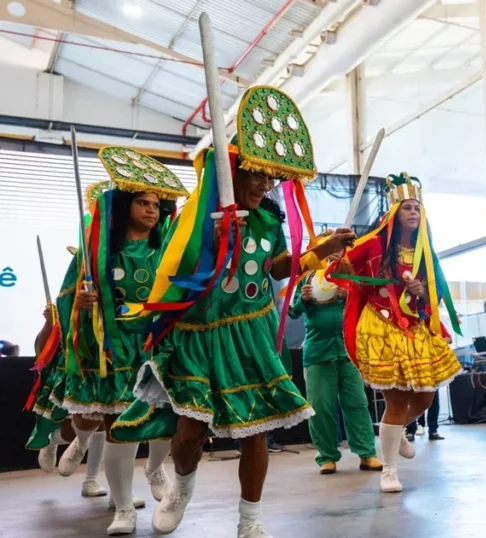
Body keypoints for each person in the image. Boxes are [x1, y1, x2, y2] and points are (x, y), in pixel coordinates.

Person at [111, 86, 354, 538]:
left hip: (250, 334)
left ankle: (250, 519)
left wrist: (323, 250)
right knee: (189, 432)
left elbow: (278, 268)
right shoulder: (194, 217)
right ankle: (182, 488)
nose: (264, 185)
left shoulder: (268, 220)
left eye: (269, 178)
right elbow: (175, 271)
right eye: (256, 176)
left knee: (255, 431)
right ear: (232, 172)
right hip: (198, 336)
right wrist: (215, 236)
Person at [47, 149, 187, 534]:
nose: (151, 211)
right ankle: (124, 508)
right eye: (143, 203)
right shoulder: (97, 253)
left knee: (166, 422)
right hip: (113, 349)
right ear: (125, 206)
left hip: (157, 347)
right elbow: (65, 297)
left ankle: (156, 469)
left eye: (156, 204)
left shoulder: (167, 250)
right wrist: (82, 300)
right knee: (116, 428)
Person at [327, 173, 462, 494]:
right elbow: (339, 271)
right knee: (397, 400)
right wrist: (337, 256)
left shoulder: (425, 251)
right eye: (407, 208)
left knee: (427, 396)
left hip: (416, 327)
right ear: (394, 214)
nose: (414, 213)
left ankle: (396, 428)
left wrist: (421, 290)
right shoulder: (375, 244)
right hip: (382, 326)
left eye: (417, 207)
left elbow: (435, 295)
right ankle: (389, 470)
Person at [25, 181, 109, 499]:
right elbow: (40, 348)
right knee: (74, 423)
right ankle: (52, 441)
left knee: (104, 419)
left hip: (107, 360)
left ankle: (92, 480)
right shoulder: (69, 297)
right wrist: (50, 323)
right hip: (72, 366)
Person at [288, 249, 383, 475]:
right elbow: (291, 312)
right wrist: (303, 299)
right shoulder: (308, 278)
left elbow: (368, 307)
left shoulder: (352, 278)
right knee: (321, 407)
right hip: (318, 353)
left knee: (358, 404)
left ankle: (367, 453)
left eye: (338, 249)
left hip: (349, 351)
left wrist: (348, 295)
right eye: (329, 248)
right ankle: (327, 457)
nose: (333, 254)